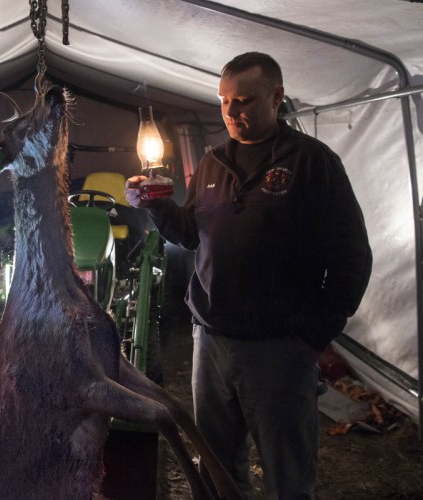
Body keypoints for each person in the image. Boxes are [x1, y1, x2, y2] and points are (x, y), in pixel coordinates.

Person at [125, 52, 372, 500]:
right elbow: (191, 234)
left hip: (279, 350)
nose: (231, 112)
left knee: (286, 477)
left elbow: (352, 257)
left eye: (243, 101)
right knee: (217, 470)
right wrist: (155, 205)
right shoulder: (213, 162)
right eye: (223, 101)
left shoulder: (313, 164)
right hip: (212, 344)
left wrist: (314, 337)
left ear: (276, 97)